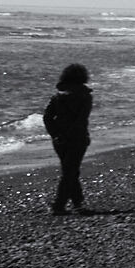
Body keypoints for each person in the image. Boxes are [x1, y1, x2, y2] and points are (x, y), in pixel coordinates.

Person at [41, 63, 94, 215]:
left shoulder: (57, 97)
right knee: (71, 171)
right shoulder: (86, 96)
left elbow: (47, 118)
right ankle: (60, 205)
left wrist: (56, 134)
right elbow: (81, 119)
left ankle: (76, 203)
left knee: (69, 170)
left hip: (59, 139)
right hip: (78, 138)